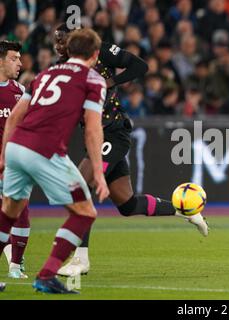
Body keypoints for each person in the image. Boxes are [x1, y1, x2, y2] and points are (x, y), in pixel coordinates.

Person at [53, 24, 208, 277]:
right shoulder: (61, 69)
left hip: (113, 132)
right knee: (126, 204)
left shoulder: (99, 52)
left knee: (79, 185)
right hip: (94, 137)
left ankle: (81, 260)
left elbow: (140, 65)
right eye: (56, 41)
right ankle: (186, 211)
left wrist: (110, 81)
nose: (59, 45)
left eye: (64, 40)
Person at [0, 28, 109, 294]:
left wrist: (4, 154)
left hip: (16, 147)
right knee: (85, 213)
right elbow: (94, 129)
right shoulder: (93, 79)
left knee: (8, 213)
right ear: (95, 55)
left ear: (69, 51)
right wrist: (98, 171)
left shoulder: (43, 74)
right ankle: (47, 274)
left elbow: (14, 117)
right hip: (45, 150)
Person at [0, 40, 29, 279]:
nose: (20, 63)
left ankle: (15, 267)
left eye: (19, 58)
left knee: (21, 212)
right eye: (13, 58)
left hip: (13, 166)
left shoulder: (20, 92)